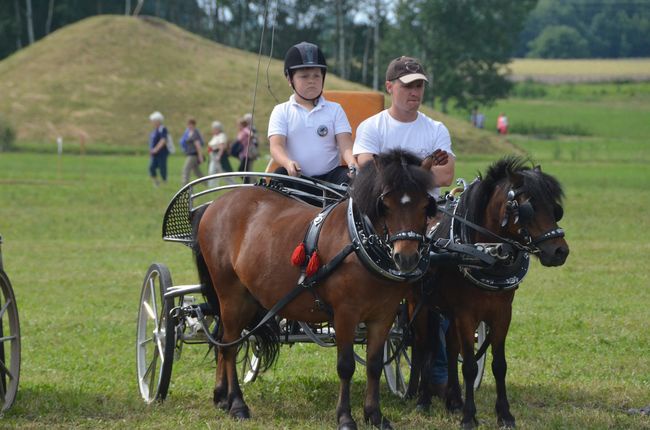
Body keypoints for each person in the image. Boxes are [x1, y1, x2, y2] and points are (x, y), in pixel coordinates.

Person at [353, 55, 455, 396]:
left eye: (420, 85)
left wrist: (399, 177)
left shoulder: (436, 129)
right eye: (409, 85)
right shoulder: (372, 127)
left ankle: (439, 367)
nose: (415, 92)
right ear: (390, 87)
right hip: (382, 223)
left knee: (439, 286)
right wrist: (423, 169)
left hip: (428, 221)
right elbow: (368, 174)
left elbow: (447, 174)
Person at [268, 41, 357, 188]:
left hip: (330, 179)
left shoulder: (335, 109)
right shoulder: (281, 111)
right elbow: (276, 146)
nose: (311, 81)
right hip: (296, 177)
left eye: (316, 76)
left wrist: (352, 163)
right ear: (289, 79)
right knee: (278, 177)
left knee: (353, 181)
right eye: (304, 76)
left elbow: (346, 144)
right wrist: (287, 162)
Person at [207, 121, 234, 186]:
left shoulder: (222, 135)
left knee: (223, 172)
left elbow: (222, 146)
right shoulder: (215, 136)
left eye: (214, 129)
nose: (213, 130)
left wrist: (219, 156)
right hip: (213, 156)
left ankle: (232, 184)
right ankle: (212, 186)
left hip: (219, 156)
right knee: (212, 171)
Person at [179, 118, 205, 185]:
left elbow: (198, 145)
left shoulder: (195, 133)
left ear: (194, 125)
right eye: (189, 125)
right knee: (197, 172)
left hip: (193, 155)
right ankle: (206, 183)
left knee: (186, 170)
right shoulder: (188, 133)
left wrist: (200, 156)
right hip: (189, 154)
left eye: (191, 125)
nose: (190, 126)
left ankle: (185, 186)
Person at [148, 111, 170, 187]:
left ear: (158, 121)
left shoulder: (162, 129)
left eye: (153, 121)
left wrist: (155, 149)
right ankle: (156, 182)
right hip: (154, 154)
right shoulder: (154, 130)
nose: (152, 122)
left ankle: (164, 182)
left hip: (161, 153)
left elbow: (163, 140)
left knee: (162, 168)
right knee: (151, 167)